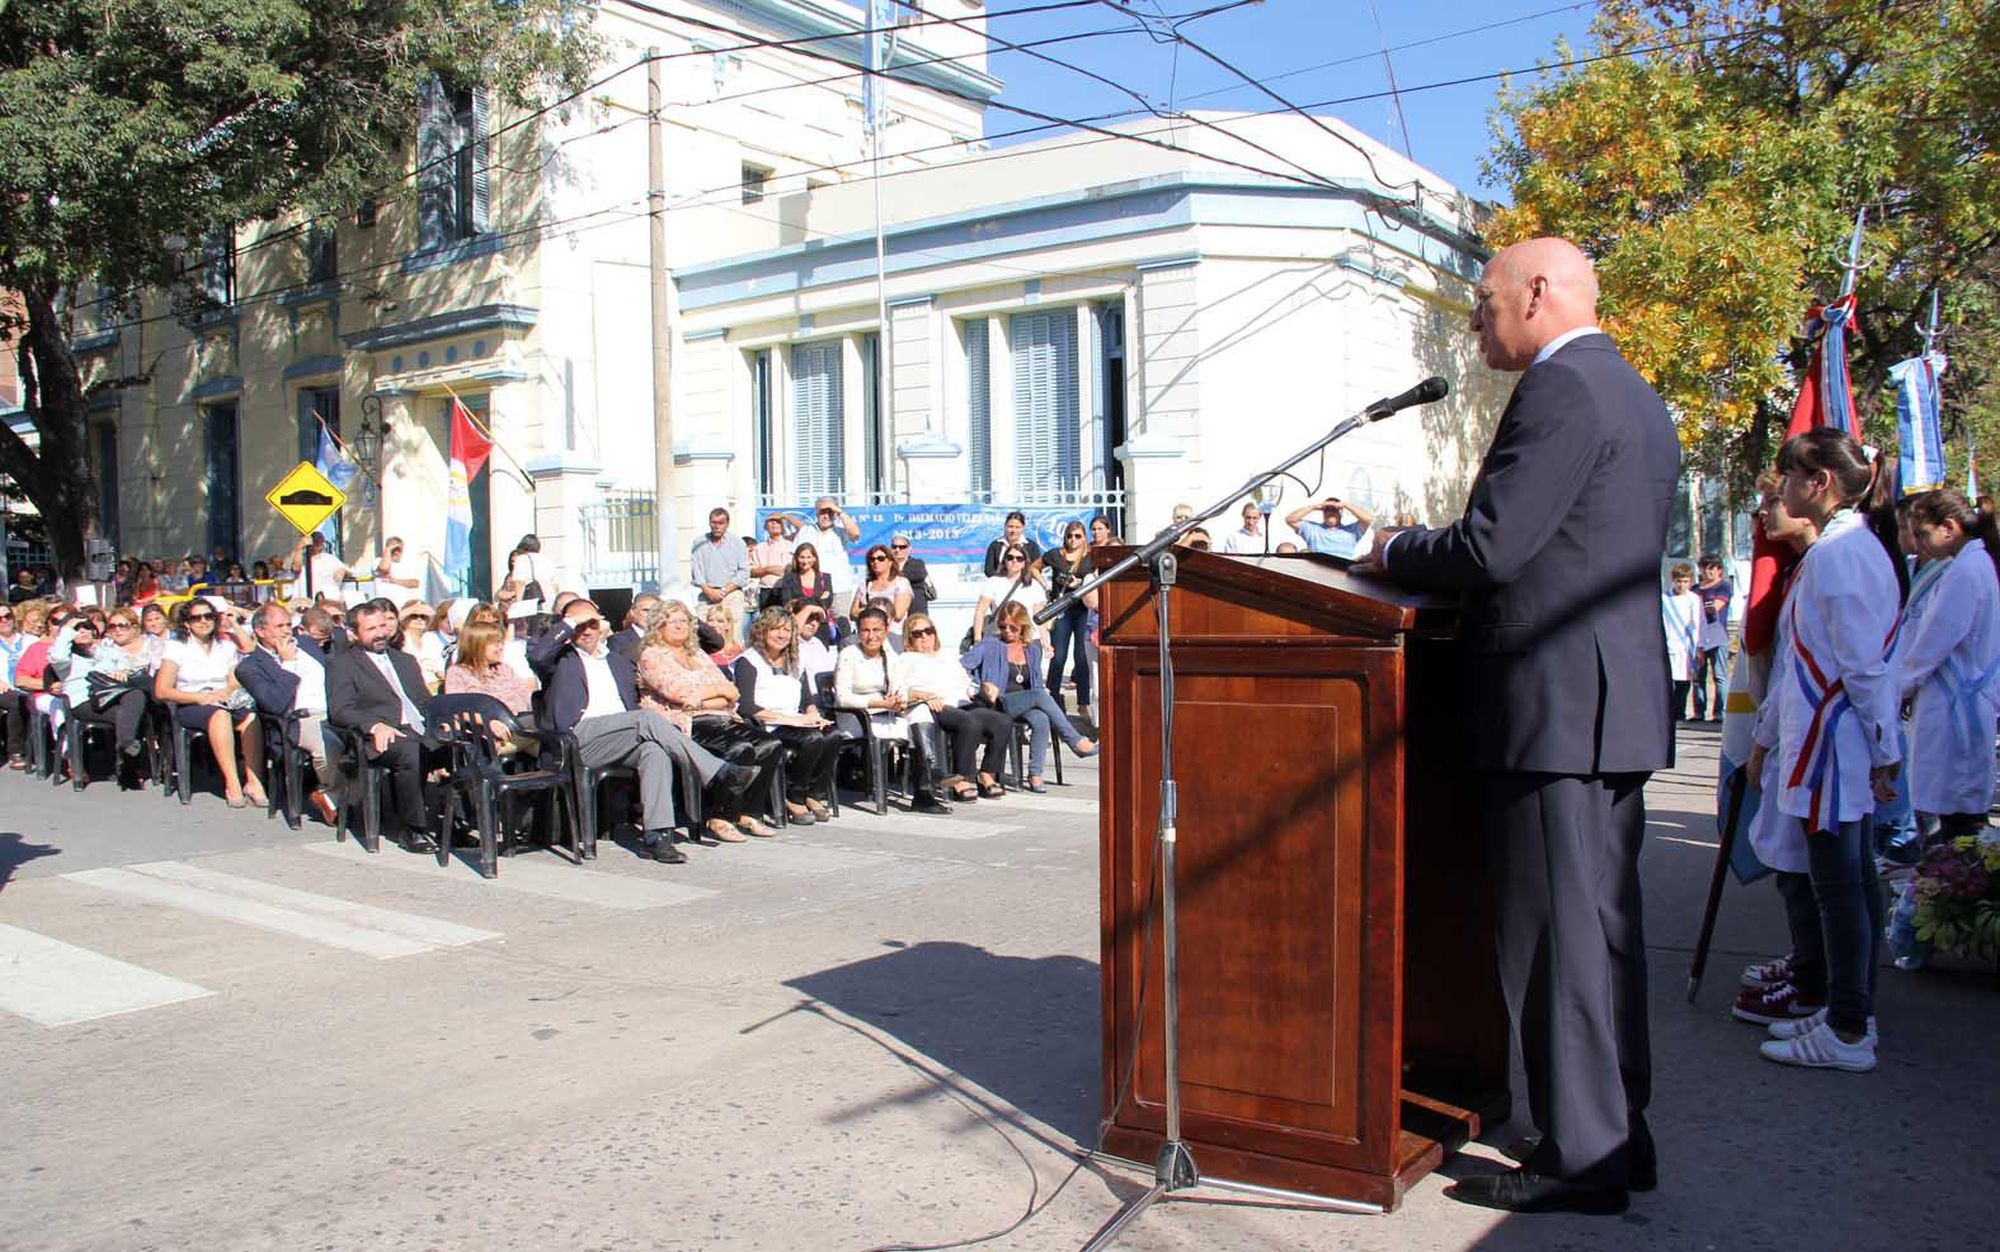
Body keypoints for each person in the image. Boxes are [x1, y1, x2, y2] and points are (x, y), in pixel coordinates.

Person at [1358, 237, 1678, 1214]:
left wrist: (1385, 547)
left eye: (1484, 301)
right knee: (1601, 936)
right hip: (1599, 706)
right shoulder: (1629, 389)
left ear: (1536, 292)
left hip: (1554, 710)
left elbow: (1492, 548)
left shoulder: (1563, 388)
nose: (1475, 321)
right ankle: (1615, 1134)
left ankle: (1578, 1157)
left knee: (1553, 943)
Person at [1747, 430, 1899, 1076]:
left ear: (1820, 483)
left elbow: (1863, 667)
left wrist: (1885, 750)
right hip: (1831, 740)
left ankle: (1848, 1026)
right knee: (1849, 883)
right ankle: (1846, 1009)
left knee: (1841, 888)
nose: (1781, 488)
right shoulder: (1843, 550)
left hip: (1833, 745)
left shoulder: (1841, 555)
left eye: (1790, 475)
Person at [529, 597, 753, 864]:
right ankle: (718, 772)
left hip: (617, 736)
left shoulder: (617, 660)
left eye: (591, 624)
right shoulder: (561, 660)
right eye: (579, 625)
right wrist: (570, 622)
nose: (586, 630)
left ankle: (657, 837)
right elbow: (537, 654)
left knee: (653, 750)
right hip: (576, 737)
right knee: (645, 719)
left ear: (601, 625)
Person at [1893, 489, 2000, 847]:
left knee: (1955, 823)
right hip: (1958, 702)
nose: (1918, 544)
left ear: (1949, 528)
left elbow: (1933, 642)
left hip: (1955, 707)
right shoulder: (1970, 565)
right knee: (1957, 817)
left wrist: (1899, 689)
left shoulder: (1965, 572)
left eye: (1923, 534)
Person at [637, 601, 781, 841]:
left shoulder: (698, 653)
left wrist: (706, 697)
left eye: (684, 621)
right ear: (658, 625)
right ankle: (720, 817)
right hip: (685, 723)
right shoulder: (652, 655)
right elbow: (679, 693)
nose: (680, 626)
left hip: (722, 716)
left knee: (770, 745)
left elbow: (732, 691)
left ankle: (749, 812)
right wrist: (716, 693)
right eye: (673, 621)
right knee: (740, 749)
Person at [326, 598, 446, 850]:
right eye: (371, 629)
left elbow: (424, 701)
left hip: (419, 729)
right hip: (378, 737)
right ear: (354, 633)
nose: (381, 633)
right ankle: (412, 829)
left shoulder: (405, 661)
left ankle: (456, 823)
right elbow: (340, 710)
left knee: (465, 746)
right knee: (412, 752)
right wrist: (373, 725)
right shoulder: (343, 664)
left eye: (383, 626)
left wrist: (443, 721)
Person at [960, 602, 1098, 792]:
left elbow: (1035, 682)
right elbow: (961, 665)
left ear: (1023, 626)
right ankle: (1075, 741)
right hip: (998, 702)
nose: (1007, 631)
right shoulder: (990, 644)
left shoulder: (1032, 649)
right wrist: (978, 686)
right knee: (1039, 695)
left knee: (1041, 718)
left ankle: (1035, 774)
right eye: (1003, 627)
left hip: (1024, 702)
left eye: (1013, 627)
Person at [734, 607, 843, 825]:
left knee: (833, 735)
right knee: (812, 739)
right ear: (763, 631)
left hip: (796, 720)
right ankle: (794, 796)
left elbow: (806, 699)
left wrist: (813, 714)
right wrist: (791, 720)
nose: (781, 635)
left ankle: (813, 792)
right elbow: (746, 706)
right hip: (767, 724)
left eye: (786, 630)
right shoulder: (749, 661)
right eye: (775, 629)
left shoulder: (794, 660)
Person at [154, 599, 264, 808]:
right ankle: (232, 782)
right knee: (220, 715)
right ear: (187, 623)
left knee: (251, 717)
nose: (204, 621)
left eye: (209, 616)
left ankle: (254, 782)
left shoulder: (226, 646)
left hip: (224, 698)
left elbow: (248, 654)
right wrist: (201, 698)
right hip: (191, 702)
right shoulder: (176, 648)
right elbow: (162, 690)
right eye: (197, 618)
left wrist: (226, 692)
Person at [237, 603, 340, 824]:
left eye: (288, 625)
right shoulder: (250, 667)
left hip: (334, 712)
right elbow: (275, 704)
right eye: (279, 626)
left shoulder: (306, 644)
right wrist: (288, 663)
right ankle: (336, 798)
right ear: (260, 631)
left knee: (368, 745)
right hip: (297, 721)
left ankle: (335, 796)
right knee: (328, 747)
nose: (286, 631)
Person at [835, 607, 946, 812]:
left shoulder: (890, 655)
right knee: (914, 725)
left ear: (886, 630)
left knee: (921, 711)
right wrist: (879, 703)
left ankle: (927, 783)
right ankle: (928, 780)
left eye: (877, 630)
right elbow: (842, 698)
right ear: (859, 632)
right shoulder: (849, 654)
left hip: (886, 713)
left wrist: (899, 700)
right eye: (865, 630)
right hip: (857, 716)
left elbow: (899, 686)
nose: (871, 636)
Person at [900, 612, 1013, 801]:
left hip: (963, 701)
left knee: (1002, 721)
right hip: (937, 705)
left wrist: (983, 687)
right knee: (969, 722)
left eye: (928, 631)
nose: (925, 637)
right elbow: (900, 689)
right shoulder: (907, 659)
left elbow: (967, 682)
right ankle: (962, 779)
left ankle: (987, 773)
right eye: (918, 634)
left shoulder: (948, 655)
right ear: (909, 638)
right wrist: (922, 695)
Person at [1043, 521, 1097, 715]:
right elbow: (1034, 567)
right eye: (1069, 536)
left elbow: (1096, 579)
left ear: (1084, 537)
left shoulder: (1090, 556)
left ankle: (1083, 703)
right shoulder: (1056, 555)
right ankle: (1051, 699)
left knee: (1081, 656)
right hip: (1062, 609)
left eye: (1077, 536)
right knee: (1058, 657)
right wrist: (1046, 586)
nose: (1073, 540)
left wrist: (1080, 584)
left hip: (1083, 610)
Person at [775, 497, 859, 600]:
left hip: (839, 589)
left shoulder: (842, 532)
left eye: (830, 512)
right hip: (811, 590)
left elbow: (856, 534)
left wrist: (839, 512)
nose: (826, 516)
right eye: (822, 512)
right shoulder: (805, 531)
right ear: (817, 513)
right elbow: (794, 560)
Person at [971, 545, 1047, 645]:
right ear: (1005, 561)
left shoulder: (1034, 585)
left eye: (1019, 559)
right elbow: (980, 612)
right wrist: (977, 639)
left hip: (1028, 640)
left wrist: (1046, 642)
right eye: (1010, 557)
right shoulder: (993, 582)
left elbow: (1040, 618)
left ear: (1024, 563)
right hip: (1000, 638)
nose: (1014, 561)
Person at [691, 507, 751, 627]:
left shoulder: (738, 543)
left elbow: (744, 573)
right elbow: (696, 570)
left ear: (727, 524)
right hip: (707, 594)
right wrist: (708, 591)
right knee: (704, 631)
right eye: (714, 522)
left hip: (731, 593)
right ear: (709, 523)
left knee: (731, 630)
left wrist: (724, 591)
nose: (717, 526)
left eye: (721, 523)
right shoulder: (699, 542)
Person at [1693, 555, 1733, 721]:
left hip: (1717, 635)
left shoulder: (1723, 586)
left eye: (1711, 568)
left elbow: (1715, 607)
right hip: (1698, 637)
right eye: (1704, 568)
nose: (1707, 572)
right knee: (1698, 676)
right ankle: (1698, 712)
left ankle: (1719, 713)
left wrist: (1697, 608)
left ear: (1719, 570)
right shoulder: (1695, 589)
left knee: (1719, 676)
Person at [849, 545, 913, 643]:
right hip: (868, 637)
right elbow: (853, 613)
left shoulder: (901, 583)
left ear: (890, 562)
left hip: (894, 635)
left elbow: (898, 614)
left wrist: (868, 609)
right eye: (872, 559)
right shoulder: (865, 584)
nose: (876, 562)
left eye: (881, 558)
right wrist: (883, 610)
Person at [1663, 563, 1701, 721]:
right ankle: (1668, 713)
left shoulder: (1694, 599)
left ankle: (1680, 712)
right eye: (1679, 581)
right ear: (1673, 581)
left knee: (1684, 682)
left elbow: (1697, 623)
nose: (1682, 585)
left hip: (1687, 647)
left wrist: (1698, 647)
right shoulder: (1665, 599)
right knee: (1669, 681)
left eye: (1685, 581)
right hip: (1670, 644)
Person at [774, 543, 837, 637]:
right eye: (802, 557)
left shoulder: (825, 578)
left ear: (814, 558)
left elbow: (827, 602)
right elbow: (787, 603)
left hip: (820, 625)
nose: (805, 561)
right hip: (797, 624)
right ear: (796, 558)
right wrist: (817, 601)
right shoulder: (789, 579)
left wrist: (799, 601)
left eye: (809, 557)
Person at [1285, 497, 1377, 559]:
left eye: (1334, 509)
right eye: (1327, 509)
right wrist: (1314, 507)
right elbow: (1291, 520)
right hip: (1317, 571)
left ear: (1340, 512)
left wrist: (1346, 505)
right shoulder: (1313, 529)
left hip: (1341, 571)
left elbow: (1369, 519)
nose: (1330, 512)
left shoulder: (1352, 531)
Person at [0, 602, 30, 768]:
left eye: (7, 616)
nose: (4, 620)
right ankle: (16, 751)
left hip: (29, 687)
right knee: (16, 701)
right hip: (4, 688)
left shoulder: (29, 640)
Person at [749, 515, 797, 610]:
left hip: (786, 589)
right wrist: (769, 569)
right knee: (767, 618)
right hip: (766, 590)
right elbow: (752, 571)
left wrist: (785, 516)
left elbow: (790, 569)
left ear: (783, 526)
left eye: (777, 521)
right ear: (765, 526)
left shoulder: (791, 546)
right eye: (771, 521)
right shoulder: (759, 548)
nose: (774, 523)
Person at [398, 601, 444, 693]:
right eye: (414, 616)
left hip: (434, 687)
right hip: (410, 687)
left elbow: (440, 668)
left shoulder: (431, 638)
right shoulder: (399, 639)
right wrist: (410, 610)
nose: (419, 619)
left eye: (423, 616)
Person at [982, 510, 1043, 576]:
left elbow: (1037, 569)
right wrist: (1002, 580)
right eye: (1010, 526)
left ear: (1023, 528)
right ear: (1005, 526)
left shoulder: (1032, 546)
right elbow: (989, 570)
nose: (1013, 530)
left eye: (1017, 527)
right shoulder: (995, 545)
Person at [609, 593, 662, 663]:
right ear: (632, 612)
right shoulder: (617, 641)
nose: (650, 615)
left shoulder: (666, 638)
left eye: (655, 611)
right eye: (646, 610)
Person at [889, 534, 932, 618]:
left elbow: (917, 576)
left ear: (909, 549)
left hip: (916, 608)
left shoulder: (917, 563)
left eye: (902, 547)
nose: (897, 550)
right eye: (894, 547)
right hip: (894, 608)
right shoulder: (886, 565)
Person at [505, 534, 549, 613]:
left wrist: (518, 606)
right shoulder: (546, 559)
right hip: (546, 601)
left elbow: (519, 583)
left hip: (530, 604)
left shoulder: (522, 559)